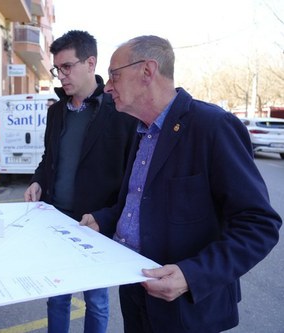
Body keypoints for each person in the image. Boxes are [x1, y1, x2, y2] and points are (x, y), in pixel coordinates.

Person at [80, 35, 282, 332]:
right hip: (136, 292)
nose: (108, 86)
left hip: (188, 309)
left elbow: (259, 224)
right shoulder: (140, 131)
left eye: (114, 75)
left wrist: (192, 275)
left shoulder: (212, 126)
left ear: (147, 71)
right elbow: (139, 202)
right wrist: (104, 219)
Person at [24, 30, 137, 333]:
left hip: (94, 224)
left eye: (67, 67)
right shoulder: (57, 112)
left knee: (97, 301)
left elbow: (132, 176)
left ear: (91, 63)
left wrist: (109, 217)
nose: (61, 75)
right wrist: (37, 180)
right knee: (57, 298)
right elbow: (49, 157)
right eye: (57, 69)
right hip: (55, 220)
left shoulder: (121, 111)